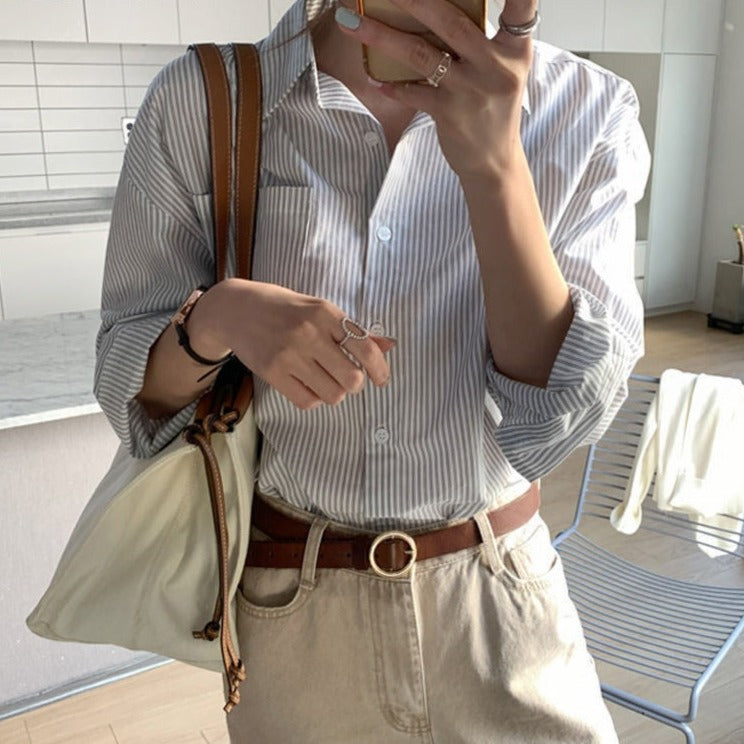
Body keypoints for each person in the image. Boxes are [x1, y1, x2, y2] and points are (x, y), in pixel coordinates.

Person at [95, 0, 649, 740]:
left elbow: (554, 430)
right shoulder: (203, 102)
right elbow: (133, 401)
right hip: (295, 622)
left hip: (503, 607)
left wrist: (495, 167)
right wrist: (217, 317)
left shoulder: (587, 108)